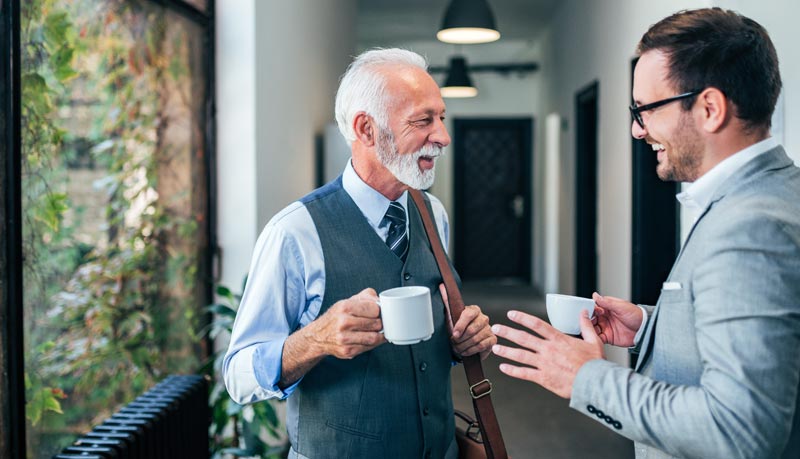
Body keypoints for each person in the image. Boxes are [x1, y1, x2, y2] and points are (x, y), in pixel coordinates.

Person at [492, 8, 800, 459]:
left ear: (710, 109)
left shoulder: (748, 227)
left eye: (645, 110)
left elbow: (740, 431)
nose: (637, 129)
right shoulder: (774, 191)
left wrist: (586, 379)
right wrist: (654, 325)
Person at [222, 48, 496, 459]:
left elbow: (430, 344)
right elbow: (239, 376)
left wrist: (460, 342)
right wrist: (315, 339)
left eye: (441, 117)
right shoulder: (294, 233)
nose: (443, 136)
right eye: (423, 121)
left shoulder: (433, 214)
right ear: (366, 129)